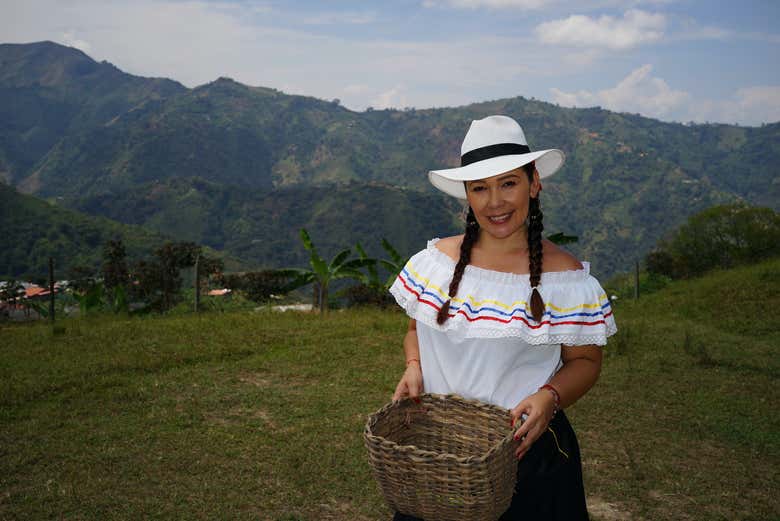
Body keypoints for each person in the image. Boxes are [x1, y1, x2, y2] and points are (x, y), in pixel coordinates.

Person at [387, 115, 617, 520]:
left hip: (526, 456)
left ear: (534, 183)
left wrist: (550, 397)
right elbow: (413, 331)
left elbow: (585, 361)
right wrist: (414, 365)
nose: (495, 202)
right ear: (467, 195)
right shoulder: (434, 263)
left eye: (508, 183)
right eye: (480, 188)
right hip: (438, 456)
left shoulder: (566, 279)